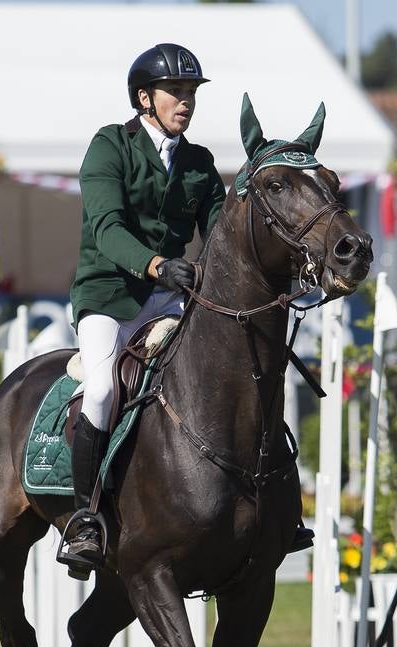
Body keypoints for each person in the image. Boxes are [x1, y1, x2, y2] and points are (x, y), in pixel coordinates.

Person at [59, 43, 311, 572]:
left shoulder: (198, 163)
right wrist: (155, 266)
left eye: (191, 92)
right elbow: (106, 229)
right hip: (110, 295)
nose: (186, 102)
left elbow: (223, 234)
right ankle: (85, 517)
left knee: (238, 373)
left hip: (173, 296)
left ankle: (272, 508)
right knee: (103, 388)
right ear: (144, 98)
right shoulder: (109, 147)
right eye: (176, 92)